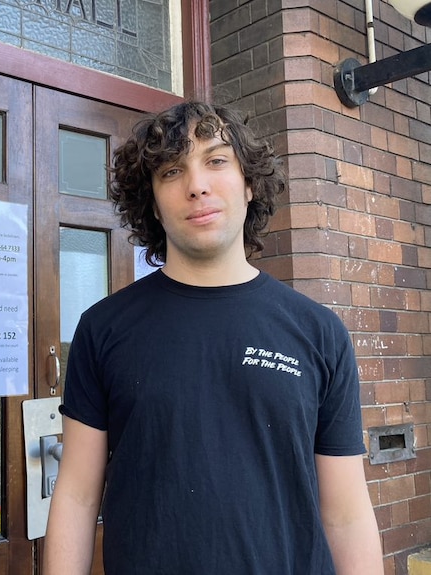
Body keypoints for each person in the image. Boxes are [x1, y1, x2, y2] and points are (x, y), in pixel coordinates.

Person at [42, 101, 383, 574]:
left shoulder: (318, 333)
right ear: (153, 205)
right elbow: (77, 497)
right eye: (171, 171)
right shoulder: (104, 329)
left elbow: (346, 514)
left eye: (217, 160)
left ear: (248, 184)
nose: (196, 185)